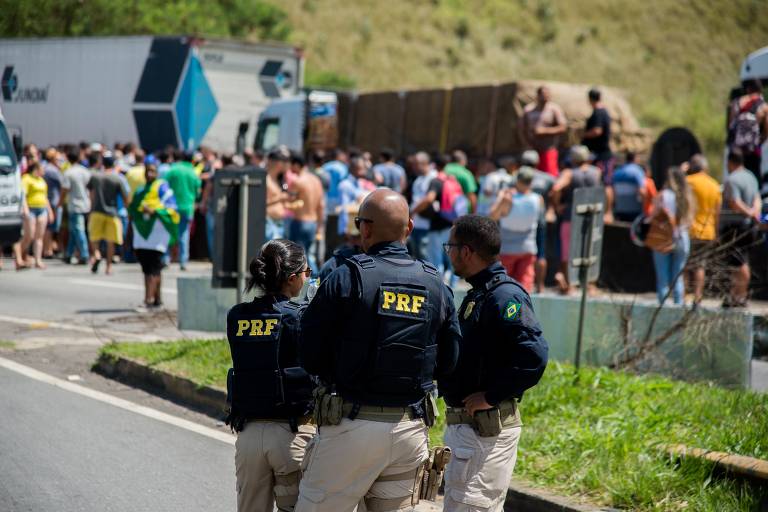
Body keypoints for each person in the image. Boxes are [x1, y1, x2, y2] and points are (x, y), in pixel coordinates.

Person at [296, 189, 461, 512]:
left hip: (350, 426)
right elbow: (450, 358)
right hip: (409, 430)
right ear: (409, 228)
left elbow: (309, 350)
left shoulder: (346, 276)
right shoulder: (436, 284)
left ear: (365, 229)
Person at [441, 214, 548, 512]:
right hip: (470, 432)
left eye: (450, 246)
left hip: (483, 433)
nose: (447, 253)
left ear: (466, 251)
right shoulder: (481, 293)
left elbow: (534, 355)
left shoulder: (504, 296)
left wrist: (491, 396)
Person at [226, 239, 316, 512]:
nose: (308, 278)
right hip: (291, 434)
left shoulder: (237, 315)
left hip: (249, 436)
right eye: (307, 273)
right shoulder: (299, 317)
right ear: (292, 279)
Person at [551, 145, 602, 293]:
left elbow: (555, 188)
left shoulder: (569, 173)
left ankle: (571, 285)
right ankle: (590, 285)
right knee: (590, 249)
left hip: (571, 217)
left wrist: (557, 206)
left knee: (568, 251)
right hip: (592, 218)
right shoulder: (596, 172)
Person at [128, 163, 179, 308]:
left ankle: (149, 300)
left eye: (153, 171)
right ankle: (156, 300)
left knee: (154, 268)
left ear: (157, 173)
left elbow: (172, 209)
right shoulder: (140, 191)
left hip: (157, 234)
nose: (150, 174)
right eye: (147, 171)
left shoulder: (162, 187)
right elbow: (132, 210)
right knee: (147, 268)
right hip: (142, 235)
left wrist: (154, 211)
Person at [490, 167, 544, 292]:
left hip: (507, 249)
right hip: (528, 249)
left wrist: (501, 198)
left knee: (503, 287)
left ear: (517, 180)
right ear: (531, 182)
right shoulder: (538, 199)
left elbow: (493, 216)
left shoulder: (508, 198)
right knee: (524, 288)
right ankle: (521, 311)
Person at [411, 154, 463, 282]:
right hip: (450, 223)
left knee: (435, 259)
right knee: (450, 257)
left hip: (437, 226)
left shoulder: (436, 181)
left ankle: (438, 287)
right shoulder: (451, 180)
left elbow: (429, 198)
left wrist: (412, 211)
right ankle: (453, 285)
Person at [720, 150, 761, 308]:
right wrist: (755, 213)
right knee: (740, 261)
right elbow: (757, 198)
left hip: (735, 227)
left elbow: (734, 203)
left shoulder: (732, 180)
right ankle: (735, 295)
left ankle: (740, 296)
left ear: (730, 162)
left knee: (739, 263)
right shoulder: (751, 177)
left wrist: (749, 213)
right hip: (749, 227)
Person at [649, 166, 692, 305]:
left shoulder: (662, 195)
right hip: (682, 237)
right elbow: (690, 220)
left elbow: (652, 215)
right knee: (678, 278)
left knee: (663, 280)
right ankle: (678, 308)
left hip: (664, 237)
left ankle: (663, 309)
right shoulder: (687, 196)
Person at [684, 155, 721, 303]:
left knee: (685, 266)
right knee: (700, 266)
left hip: (689, 230)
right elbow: (717, 213)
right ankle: (698, 296)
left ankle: (684, 295)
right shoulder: (715, 185)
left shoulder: (688, 181)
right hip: (708, 231)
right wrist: (716, 232)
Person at [88, 153, 129, 275]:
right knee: (111, 241)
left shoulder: (95, 176)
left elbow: (91, 194)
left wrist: (91, 208)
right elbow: (125, 197)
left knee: (94, 238)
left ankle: (97, 254)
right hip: (112, 212)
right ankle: (109, 267)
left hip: (96, 211)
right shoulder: (117, 178)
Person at [287, 153, 326, 273]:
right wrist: (319, 227)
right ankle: (316, 279)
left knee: (301, 257)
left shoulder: (297, 182)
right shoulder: (316, 180)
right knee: (308, 255)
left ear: (297, 165)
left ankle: (316, 279)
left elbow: (290, 202)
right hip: (312, 223)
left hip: (300, 222)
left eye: (291, 166)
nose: (290, 170)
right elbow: (321, 205)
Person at [164, 151, 201, 270]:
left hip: (172, 206)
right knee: (184, 234)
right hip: (187, 207)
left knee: (169, 232)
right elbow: (197, 191)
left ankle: (166, 259)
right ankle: (183, 261)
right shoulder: (193, 172)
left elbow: (163, 185)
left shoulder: (173, 169)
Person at [521, 86, 567, 177]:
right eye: (543, 95)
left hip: (548, 149)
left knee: (549, 175)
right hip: (532, 150)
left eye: (547, 95)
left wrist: (545, 131)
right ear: (538, 96)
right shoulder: (529, 110)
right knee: (530, 176)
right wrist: (526, 142)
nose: (546, 97)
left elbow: (563, 127)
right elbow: (521, 128)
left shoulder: (554, 109)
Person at [727, 79, 768, 184]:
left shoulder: (736, 103)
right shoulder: (763, 106)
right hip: (753, 150)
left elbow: (730, 126)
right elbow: (766, 130)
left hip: (736, 150)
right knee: (754, 179)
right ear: (760, 90)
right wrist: (760, 141)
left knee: (735, 177)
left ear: (748, 89)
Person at [20, 161, 53, 269]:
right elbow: (23, 195)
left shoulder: (42, 180)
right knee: (29, 235)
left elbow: (45, 197)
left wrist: (50, 211)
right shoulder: (26, 178)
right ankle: (20, 255)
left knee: (39, 236)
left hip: (42, 209)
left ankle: (38, 260)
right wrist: (25, 209)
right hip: (31, 208)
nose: (43, 170)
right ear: (36, 168)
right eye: (41, 168)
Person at [62, 148, 92, 264]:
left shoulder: (68, 173)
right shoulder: (85, 171)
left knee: (78, 230)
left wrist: (59, 204)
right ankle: (69, 254)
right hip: (86, 204)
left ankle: (85, 255)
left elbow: (65, 189)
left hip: (74, 205)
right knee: (74, 230)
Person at [407, 151, 436, 261]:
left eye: (415, 164)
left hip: (427, 226)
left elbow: (429, 199)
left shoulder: (433, 177)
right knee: (417, 257)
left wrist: (413, 211)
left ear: (424, 163)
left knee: (425, 258)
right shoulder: (418, 179)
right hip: (416, 225)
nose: (413, 167)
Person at [612, 152, 647, 222]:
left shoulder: (617, 172)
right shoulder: (637, 171)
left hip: (619, 208)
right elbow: (642, 191)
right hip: (634, 210)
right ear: (635, 159)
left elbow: (613, 191)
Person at [42, 148, 63, 258]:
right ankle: (48, 250)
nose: (60, 161)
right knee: (50, 227)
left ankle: (48, 248)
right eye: (58, 159)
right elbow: (63, 183)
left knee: (48, 227)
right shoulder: (53, 170)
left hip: (48, 200)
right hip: (54, 201)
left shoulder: (45, 168)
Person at [266, 147, 291, 241]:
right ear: (277, 163)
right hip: (269, 223)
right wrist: (280, 198)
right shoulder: (266, 180)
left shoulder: (280, 180)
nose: (288, 164)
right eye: (285, 161)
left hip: (280, 223)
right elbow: (259, 204)